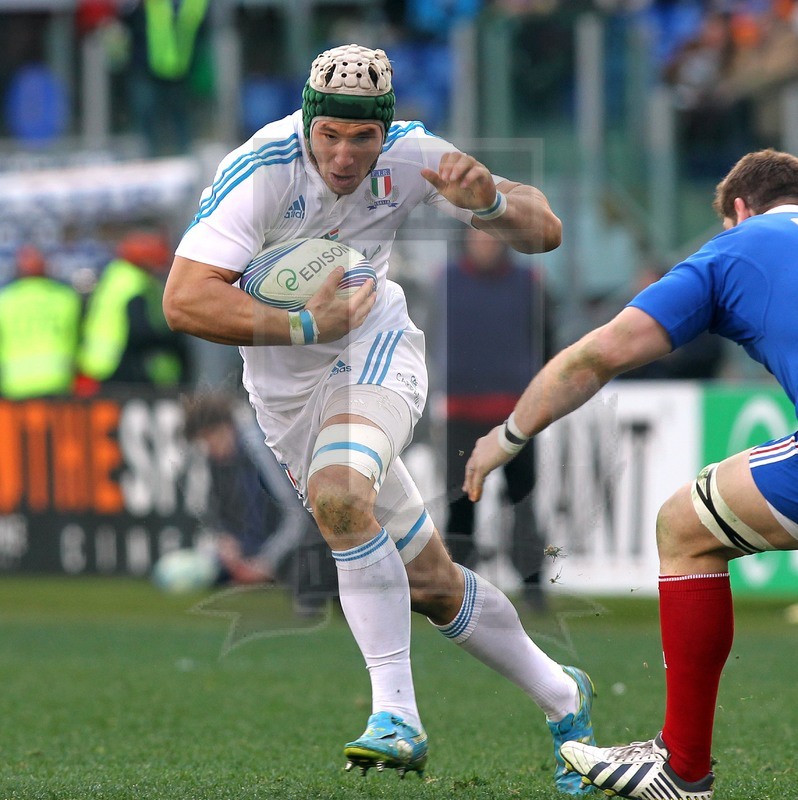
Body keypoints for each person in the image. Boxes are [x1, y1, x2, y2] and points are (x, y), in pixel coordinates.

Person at [163, 43, 595, 792]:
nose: (343, 153)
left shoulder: (412, 154)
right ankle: (565, 696)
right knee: (428, 582)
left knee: (339, 496)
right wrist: (302, 327)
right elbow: (184, 298)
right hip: (288, 388)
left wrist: (489, 200)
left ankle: (396, 717)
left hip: (375, 350)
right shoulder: (261, 168)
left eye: (361, 137)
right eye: (328, 134)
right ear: (306, 120)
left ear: (385, 128)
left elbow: (545, 229)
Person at [463, 148, 798, 800]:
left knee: (685, 523)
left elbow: (599, 354)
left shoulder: (733, 249)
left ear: (737, 209)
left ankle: (682, 766)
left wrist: (508, 436)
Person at [435, 225, 552, 610]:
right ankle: (456, 589)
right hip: (460, 414)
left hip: (515, 417)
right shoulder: (446, 282)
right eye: (478, 236)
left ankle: (533, 585)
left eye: (491, 237)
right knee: (459, 504)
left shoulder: (529, 284)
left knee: (522, 502)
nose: (485, 243)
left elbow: (546, 343)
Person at [181, 390, 335, 607]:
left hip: (301, 546)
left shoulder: (260, 447)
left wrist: (266, 562)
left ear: (223, 428)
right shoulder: (215, 459)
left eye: (208, 439)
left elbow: (296, 513)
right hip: (257, 551)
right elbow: (215, 512)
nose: (208, 449)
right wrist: (225, 540)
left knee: (305, 598)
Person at [78, 228, 192, 391]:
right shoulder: (134, 283)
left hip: (99, 363)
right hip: (118, 364)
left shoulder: (115, 275)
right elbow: (140, 330)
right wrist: (173, 339)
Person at [0, 245, 82, 399]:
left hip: (15, 382)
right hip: (57, 379)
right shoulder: (66, 298)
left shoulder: (4, 300)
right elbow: (76, 336)